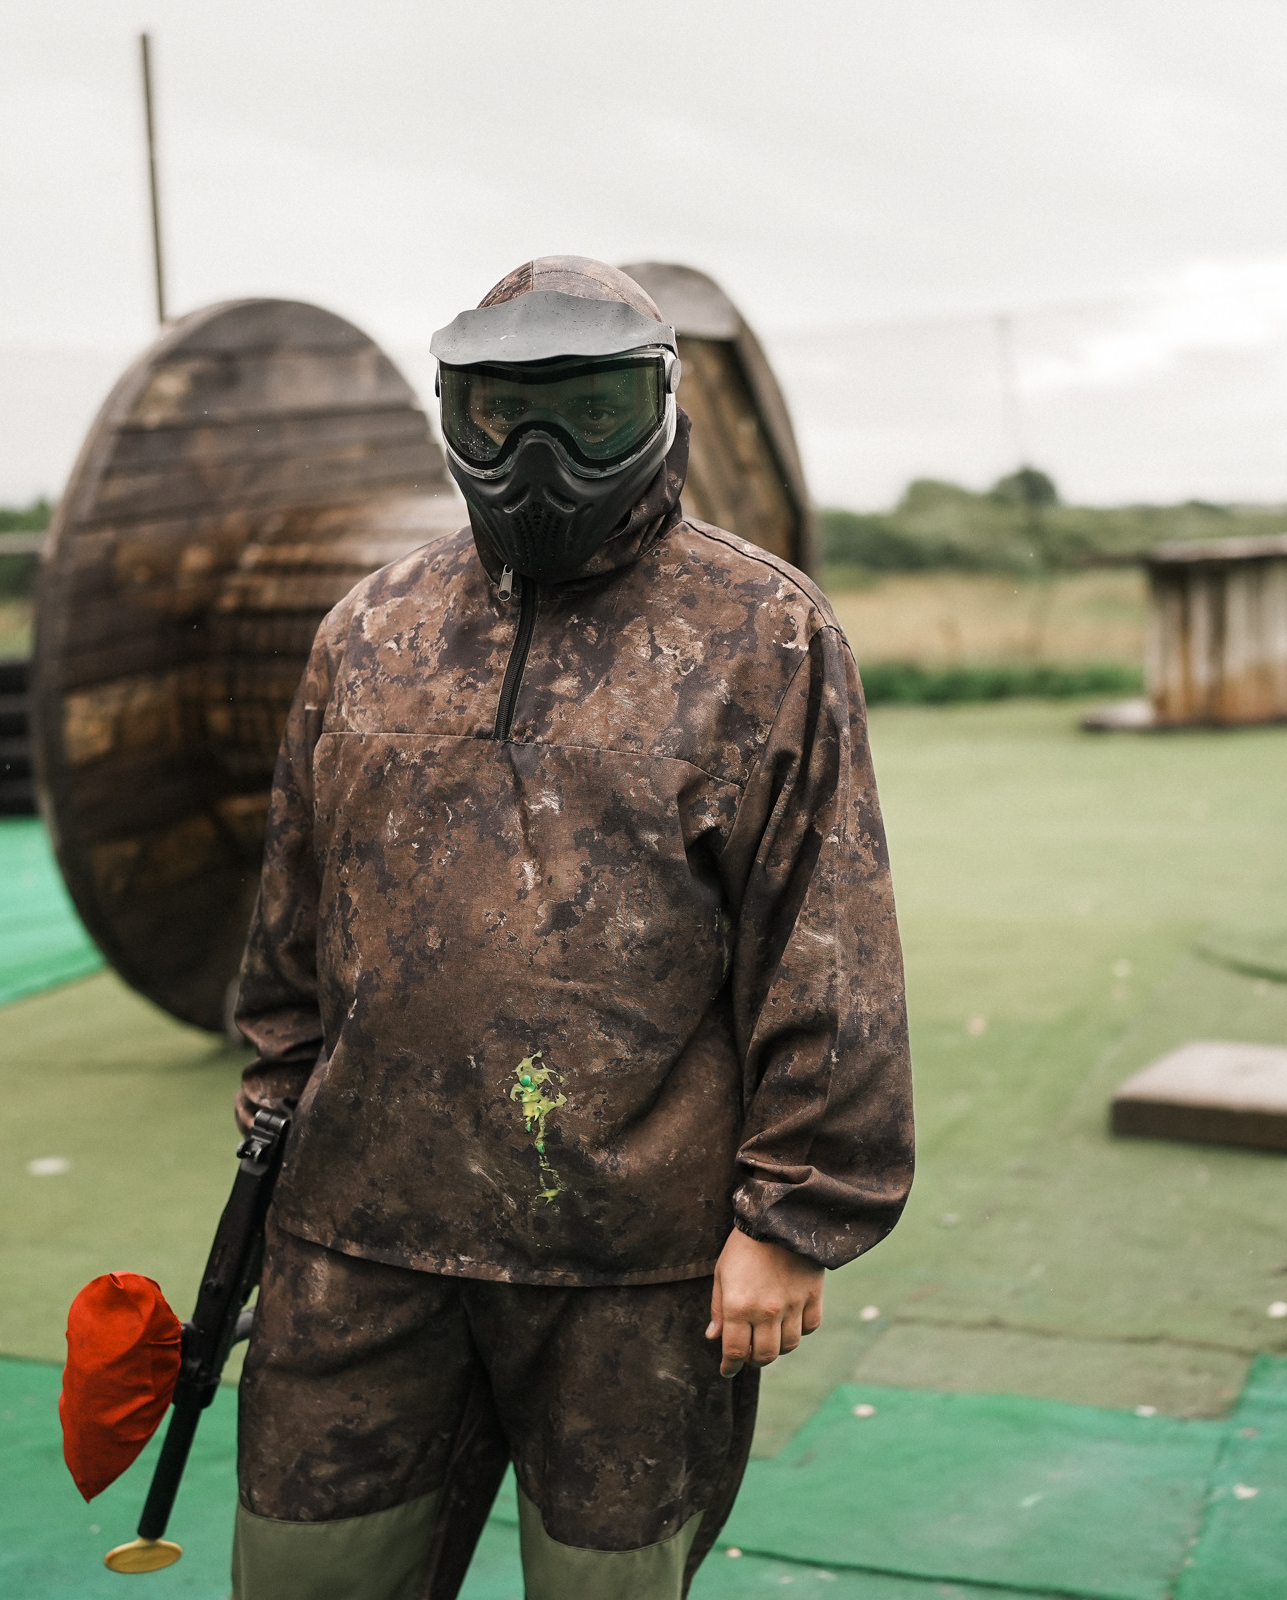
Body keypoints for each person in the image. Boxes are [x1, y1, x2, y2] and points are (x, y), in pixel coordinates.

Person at [229, 258, 914, 1599]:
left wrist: (788, 1220)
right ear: (452, 414)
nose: (540, 453)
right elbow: (292, 927)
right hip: (358, 1247)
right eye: (499, 415)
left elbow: (827, 945)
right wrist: (273, 1133)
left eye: (589, 412)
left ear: (660, 407)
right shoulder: (368, 631)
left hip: (633, 1274)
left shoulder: (764, 632)